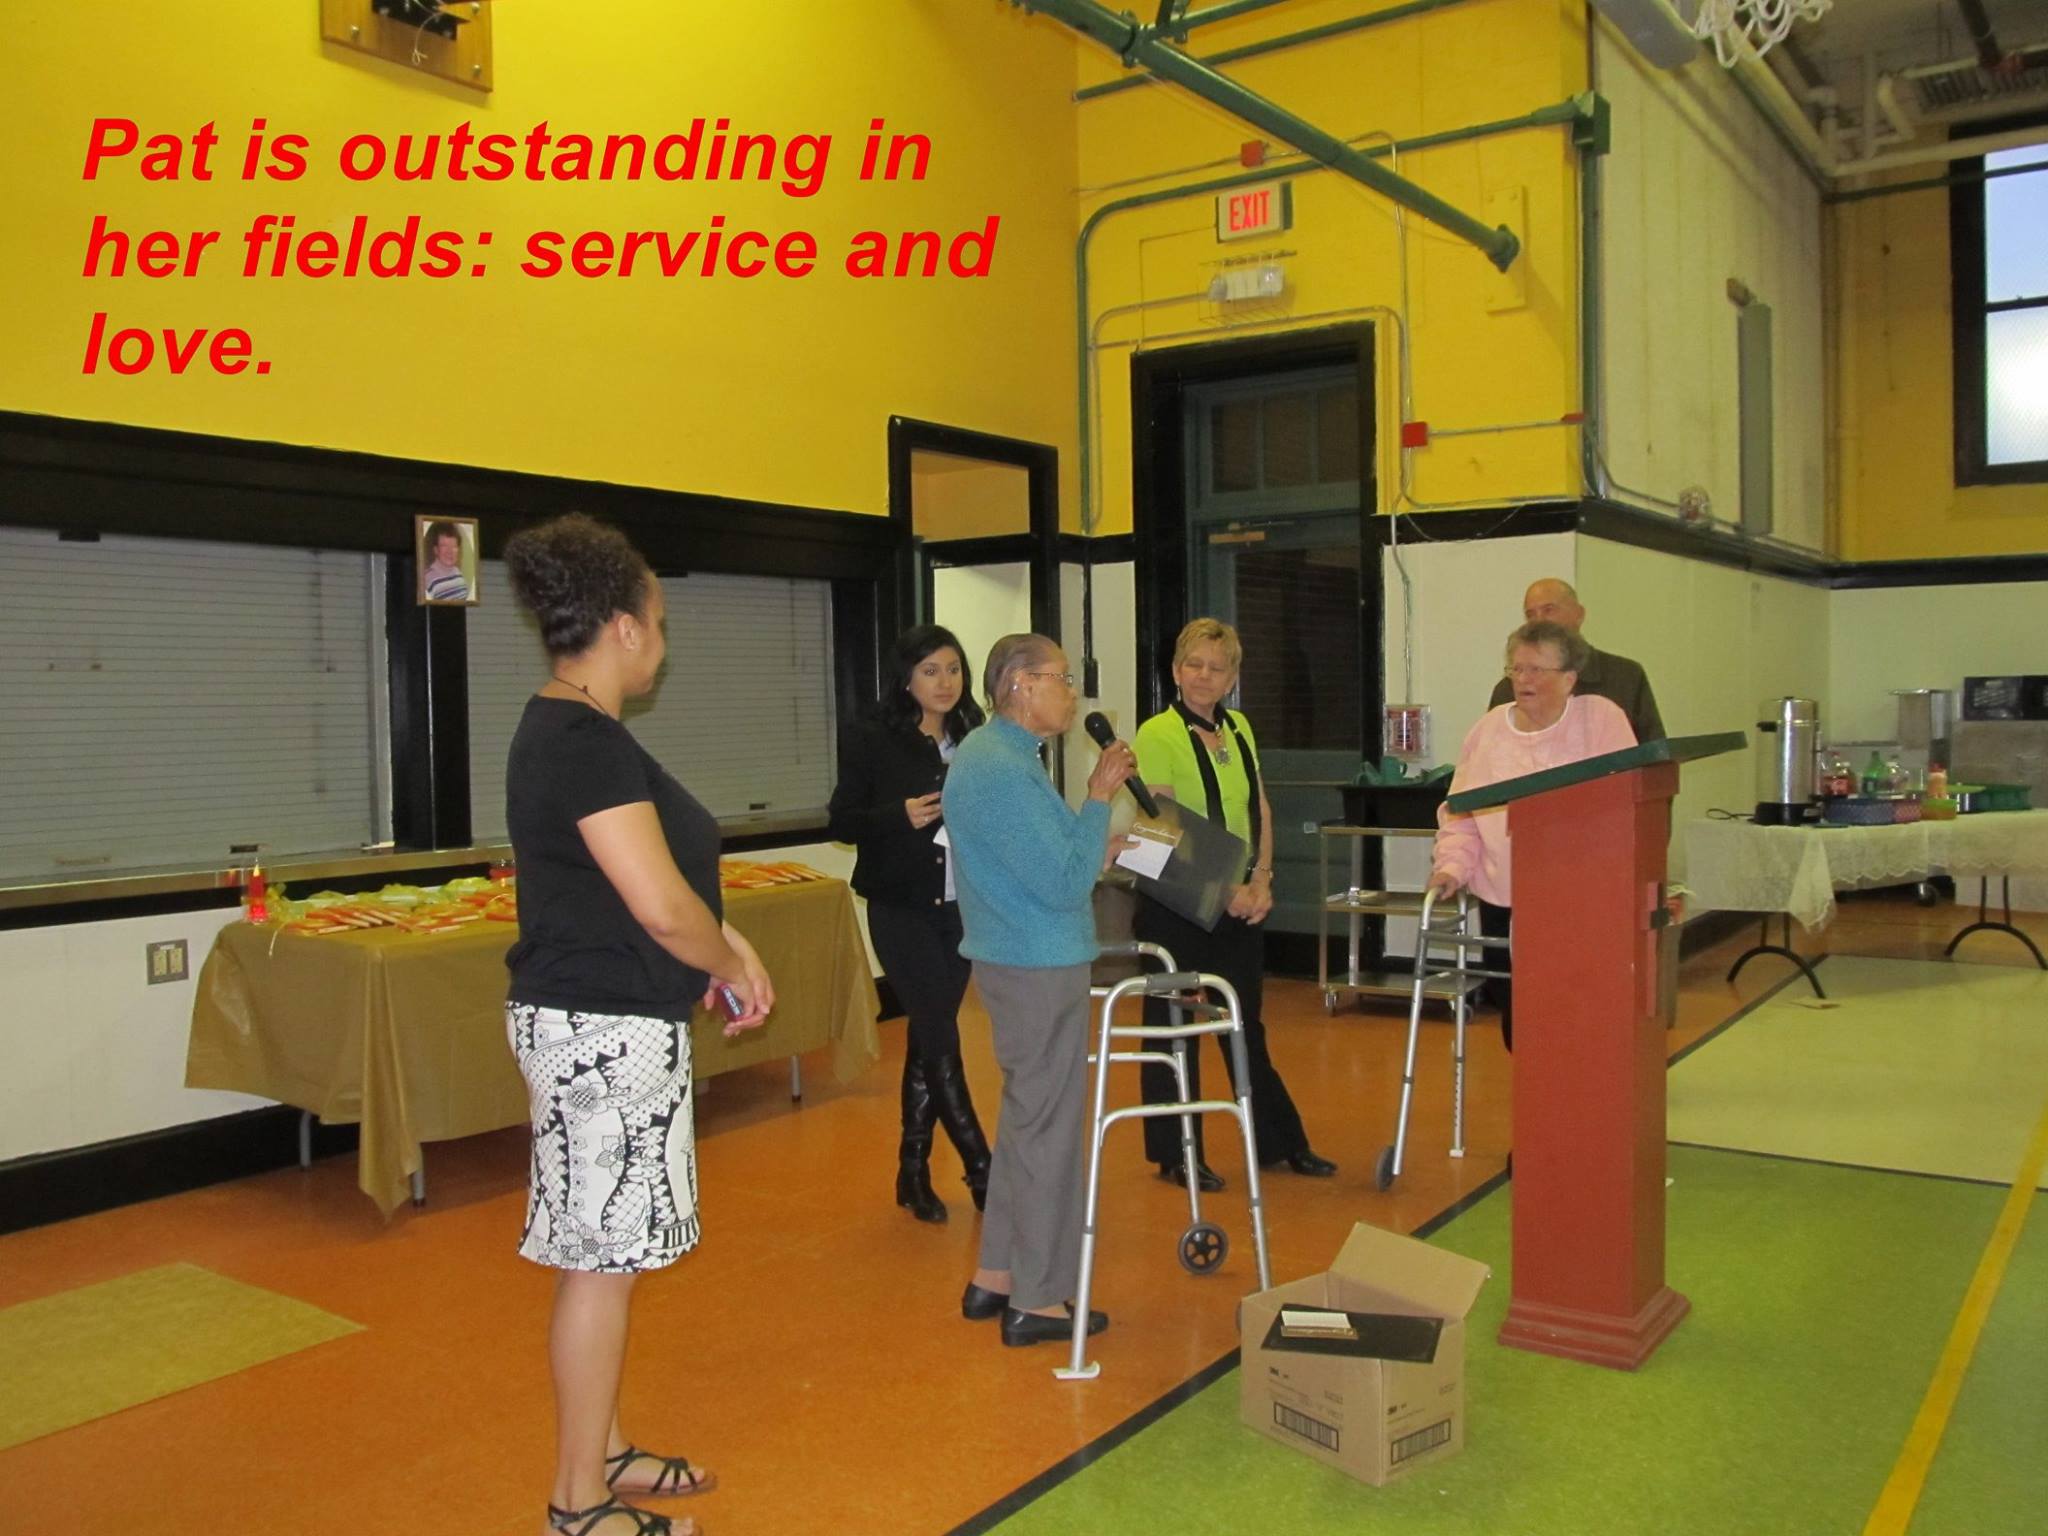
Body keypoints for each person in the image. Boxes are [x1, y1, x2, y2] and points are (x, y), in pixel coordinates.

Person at [501, 512, 776, 1536]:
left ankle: (605, 1450)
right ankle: (577, 1503)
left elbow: (647, 887)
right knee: (601, 1266)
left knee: (600, 1255)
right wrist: (724, 961)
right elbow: (659, 907)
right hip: (600, 1032)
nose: (663, 639)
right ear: (622, 627)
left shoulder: (578, 730)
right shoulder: (581, 741)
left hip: (600, 1017)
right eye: (658, 620)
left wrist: (724, 943)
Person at [942, 633, 1134, 1347]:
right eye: (1062, 678)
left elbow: (1047, 861)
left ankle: (995, 1275)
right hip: (1036, 963)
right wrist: (1098, 799)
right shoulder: (1000, 767)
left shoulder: (999, 756)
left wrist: (1097, 839)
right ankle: (1040, 1299)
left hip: (1017, 956)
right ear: (1020, 684)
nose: (1072, 693)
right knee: (1050, 1132)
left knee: (1028, 1122)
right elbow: (1062, 885)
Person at [1130, 617, 1336, 1186]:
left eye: (1216, 668)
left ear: (1232, 678)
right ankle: (1177, 1153)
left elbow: (1258, 808)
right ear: (1176, 672)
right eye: (1193, 664)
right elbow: (1162, 825)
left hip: (1242, 899)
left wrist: (1262, 879)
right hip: (1175, 901)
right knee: (1172, 1025)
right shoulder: (1157, 734)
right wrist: (1225, 892)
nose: (1204, 675)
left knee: (1244, 1023)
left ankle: (1278, 1141)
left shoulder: (1239, 728)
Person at [827, 624, 993, 1225]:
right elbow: (842, 821)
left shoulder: (974, 737)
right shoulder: (873, 737)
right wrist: (897, 816)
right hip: (900, 908)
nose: (945, 682)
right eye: (930, 671)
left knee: (929, 1037)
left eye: (953, 669)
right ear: (906, 678)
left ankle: (912, 1170)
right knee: (941, 1036)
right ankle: (983, 1168)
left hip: (960, 909)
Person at [1433, 620, 1636, 1052]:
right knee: (1517, 1016)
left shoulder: (1601, 720)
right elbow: (1461, 813)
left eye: (1536, 670)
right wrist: (1451, 866)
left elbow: (1625, 805)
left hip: (1578, 898)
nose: (1523, 680)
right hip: (1504, 896)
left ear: (1569, 678)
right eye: (1516, 668)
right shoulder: (1488, 730)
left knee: (1576, 1015)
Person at [1485, 578, 1662, 743]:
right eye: (1530, 615)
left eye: (1549, 610)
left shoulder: (1625, 676)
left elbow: (1654, 753)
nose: (1539, 621)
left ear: (1579, 614)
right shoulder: (1511, 689)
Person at [422, 519, 471, 603]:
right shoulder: (427, 579)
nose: (450, 551)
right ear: (436, 550)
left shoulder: (458, 573)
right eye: (444, 546)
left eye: (454, 546)